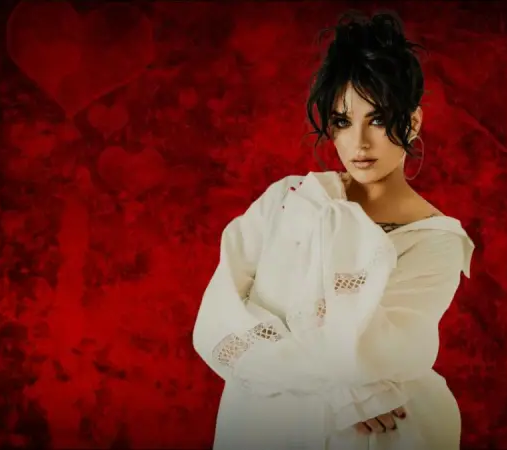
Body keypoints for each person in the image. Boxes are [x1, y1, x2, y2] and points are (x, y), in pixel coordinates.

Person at [192, 10, 474, 450]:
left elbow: (371, 358)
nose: (359, 142)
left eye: (378, 119)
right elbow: (217, 323)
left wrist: (342, 378)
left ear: (414, 121)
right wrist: (349, 392)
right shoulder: (289, 200)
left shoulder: (436, 242)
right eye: (342, 121)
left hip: (378, 435)